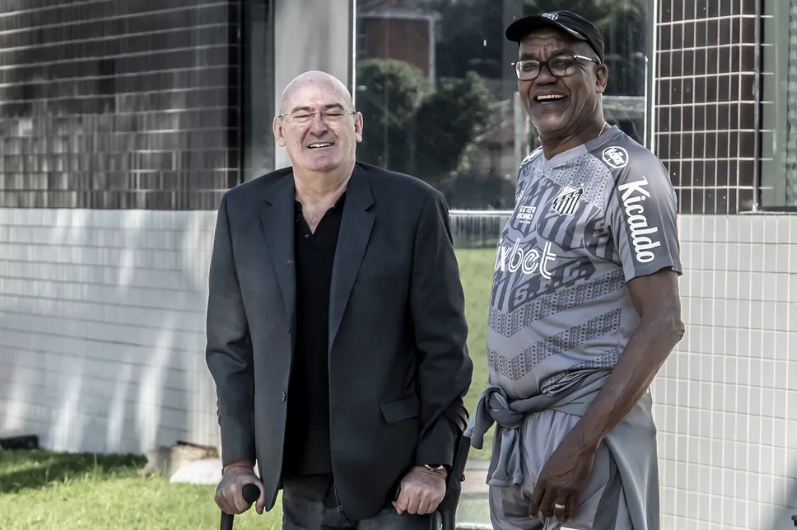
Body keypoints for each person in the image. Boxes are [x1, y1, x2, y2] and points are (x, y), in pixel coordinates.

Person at [205, 70, 473, 529]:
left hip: (397, 482)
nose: (318, 126)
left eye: (333, 113)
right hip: (299, 481)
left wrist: (432, 464)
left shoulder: (413, 207)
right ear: (279, 130)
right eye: (303, 115)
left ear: (358, 126)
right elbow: (231, 350)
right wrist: (237, 460)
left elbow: (444, 349)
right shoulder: (242, 210)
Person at [465, 10, 685, 530]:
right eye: (530, 65)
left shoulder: (632, 174)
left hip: (582, 429)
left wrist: (581, 444)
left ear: (601, 77)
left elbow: (664, 322)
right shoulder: (531, 168)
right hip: (519, 430)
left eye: (565, 61)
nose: (544, 76)